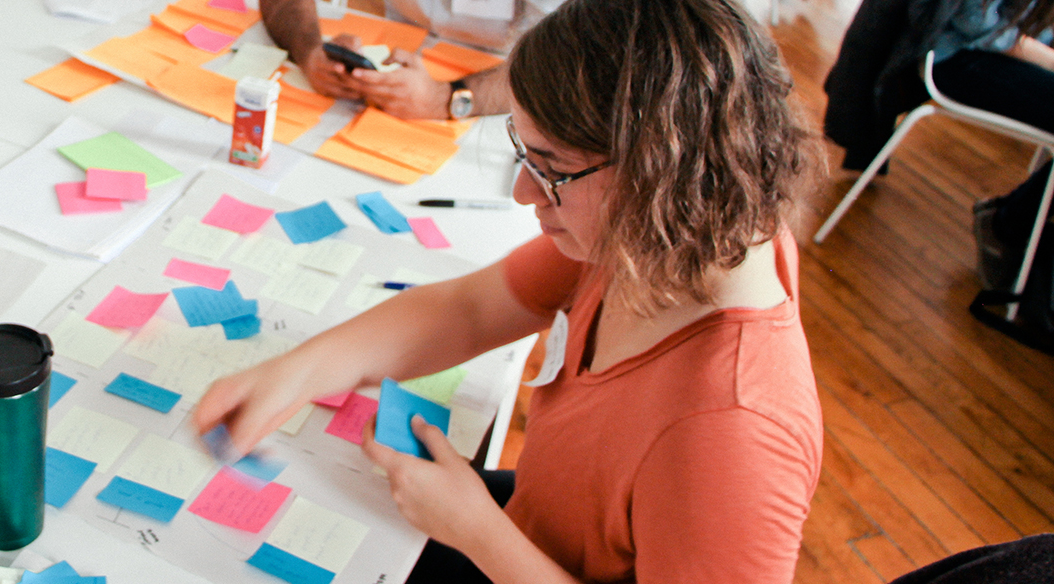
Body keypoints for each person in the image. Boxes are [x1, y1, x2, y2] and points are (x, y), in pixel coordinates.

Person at [194, 0, 825, 582]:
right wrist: (297, 372)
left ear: (661, 169)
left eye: (551, 170)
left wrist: (477, 532)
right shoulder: (665, 233)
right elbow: (469, 309)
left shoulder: (733, 437)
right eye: (524, 155)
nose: (524, 192)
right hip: (530, 525)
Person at [823, 0, 1054, 290]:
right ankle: (1006, 225)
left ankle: (1014, 223)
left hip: (1006, 50)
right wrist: (1044, 56)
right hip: (958, 56)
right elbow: (973, 21)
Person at [259, 0, 555, 120]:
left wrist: (444, 99)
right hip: (386, 56)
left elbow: (569, 58)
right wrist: (310, 52)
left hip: (509, 88)